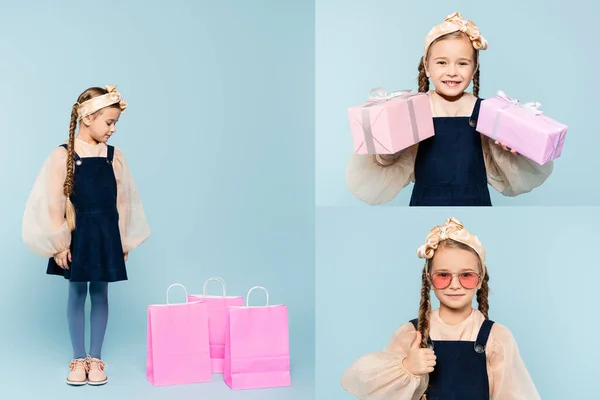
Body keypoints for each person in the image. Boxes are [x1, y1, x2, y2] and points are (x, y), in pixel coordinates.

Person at [346, 12, 553, 206]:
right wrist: (387, 147)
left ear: (474, 69)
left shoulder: (486, 111)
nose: (452, 72)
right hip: (426, 201)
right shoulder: (414, 110)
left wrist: (510, 148)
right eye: (442, 62)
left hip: (475, 200)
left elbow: (504, 164)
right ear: (427, 67)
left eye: (462, 63)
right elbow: (391, 162)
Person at [22, 85, 151, 386]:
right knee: (77, 293)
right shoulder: (62, 155)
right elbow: (52, 201)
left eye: (116, 123)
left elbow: (125, 200)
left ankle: (96, 357)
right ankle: (78, 357)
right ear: (88, 117)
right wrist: (59, 244)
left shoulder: (113, 156)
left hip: (105, 233)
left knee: (101, 293)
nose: (113, 129)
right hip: (78, 235)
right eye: (109, 122)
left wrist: (123, 239)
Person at [340, 218, 540, 399]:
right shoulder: (411, 335)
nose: (454, 285)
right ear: (429, 279)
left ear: (480, 279)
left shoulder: (496, 338)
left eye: (466, 275)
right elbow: (370, 385)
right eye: (443, 275)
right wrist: (407, 367)